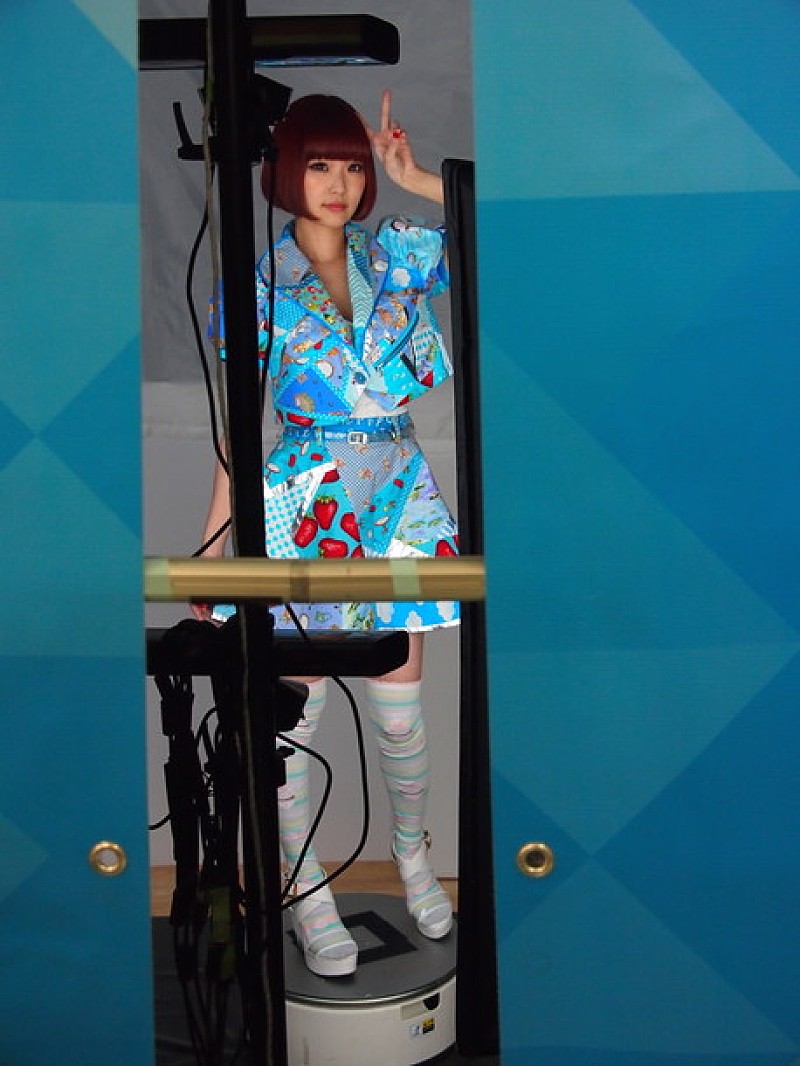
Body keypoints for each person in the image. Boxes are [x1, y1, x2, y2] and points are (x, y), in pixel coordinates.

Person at [193, 91, 458, 978]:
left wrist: (416, 178)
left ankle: (414, 860)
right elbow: (236, 435)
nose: (339, 184)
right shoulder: (254, 286)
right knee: (291, 715)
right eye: (319, 165)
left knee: (400, 709)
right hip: (305, 501)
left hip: (398, 498)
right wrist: (211, 552)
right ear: (285, 172)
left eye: (352, 166)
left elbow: (504, 232)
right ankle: (305, 893)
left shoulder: (398, 256)